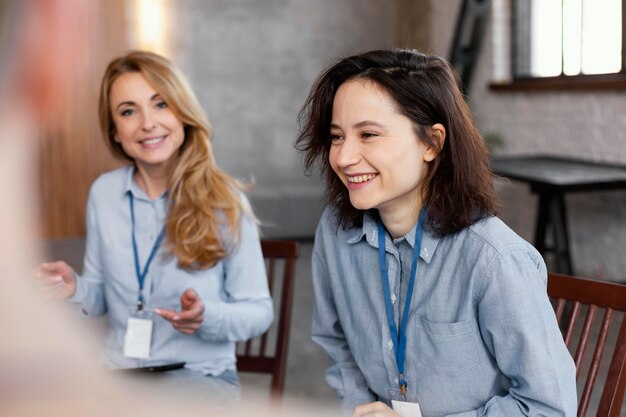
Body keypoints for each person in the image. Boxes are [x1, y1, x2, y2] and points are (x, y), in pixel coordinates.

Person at [296, 49, 577, 417]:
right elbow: (338, 344)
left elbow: (549, 408)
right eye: (336, 136)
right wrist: (361, 407)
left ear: (431, 143)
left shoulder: (495, 260)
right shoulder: (336, 233)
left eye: (368, 134)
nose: (344, 157)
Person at [37, 50, 273, 399]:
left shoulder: (226, 202)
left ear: (183, 114)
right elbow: (101, 296)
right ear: (115, 131)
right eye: (128, 111)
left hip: (200, 377)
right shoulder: (104, 193)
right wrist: (75, 289)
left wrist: (205, 316)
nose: (147, 123)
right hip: (117, 374)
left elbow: (259, 313)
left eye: (160, 104)